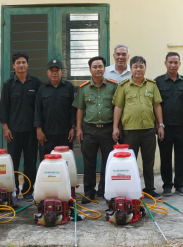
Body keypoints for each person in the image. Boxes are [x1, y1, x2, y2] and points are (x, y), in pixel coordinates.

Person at [112, 55, 165, 196]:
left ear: (145, 69)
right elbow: (118, 107)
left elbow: (157, 106)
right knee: (129, 163)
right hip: (130, 131)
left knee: (149, 162)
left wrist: (160, 125)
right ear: (131, 69)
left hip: (148, 130)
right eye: (135, 66)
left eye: (141, 66)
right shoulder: (123, 86)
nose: (138, 69)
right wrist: (115, 127)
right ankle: (130, 189)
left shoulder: (152, 85)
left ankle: (149, 188)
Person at [74, 56, 119, 203]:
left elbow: (117, 108)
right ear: (90, 69)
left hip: (107, 129)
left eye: (100, 66)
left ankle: (105, 189)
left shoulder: (113, 86)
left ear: (104, 69)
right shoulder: (84, 88)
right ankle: (89, 191)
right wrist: (79, 129)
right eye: (95, 66)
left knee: (108, 161)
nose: (98, 69)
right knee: (89, 161)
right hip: (89, 130)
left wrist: (115, 128)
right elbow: (80, 109)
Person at [0, 52, 42, 202]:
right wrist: (5, 127)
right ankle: (14, 190)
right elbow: (4, 107)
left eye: (24, 62)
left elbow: (39, 108)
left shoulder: (35, 83)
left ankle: (28, 191)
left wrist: (39, 128)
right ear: (13, 65)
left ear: (28, 64)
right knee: (14, 163)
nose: (21, 65)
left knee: (31, 162)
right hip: (14, 131)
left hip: (31, 130)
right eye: (18, 62)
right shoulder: (8, 85)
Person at [155, 52, 183, 196]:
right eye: (170, 62)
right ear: (165, 63)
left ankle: (180, 185)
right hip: (164, 127)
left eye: (176, 62)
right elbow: (155, 104)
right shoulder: (158, 81)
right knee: (165, 157)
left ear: (179, 64)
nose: (173, 65)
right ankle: (167, 185)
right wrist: (159, 125)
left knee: (180, 157)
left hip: (181, 126)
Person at [34, 59, 77, 159]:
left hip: (65, 134)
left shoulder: (69, 87)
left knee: (65, 161)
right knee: (46, 162)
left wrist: (73, 128)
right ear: (47, 72)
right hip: (46, 134)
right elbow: (38, 110)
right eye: (51, 71)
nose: (54, 73)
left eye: (57, 70)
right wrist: (38, 130)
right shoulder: (42, 89)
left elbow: (74, 109)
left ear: (61, 72)